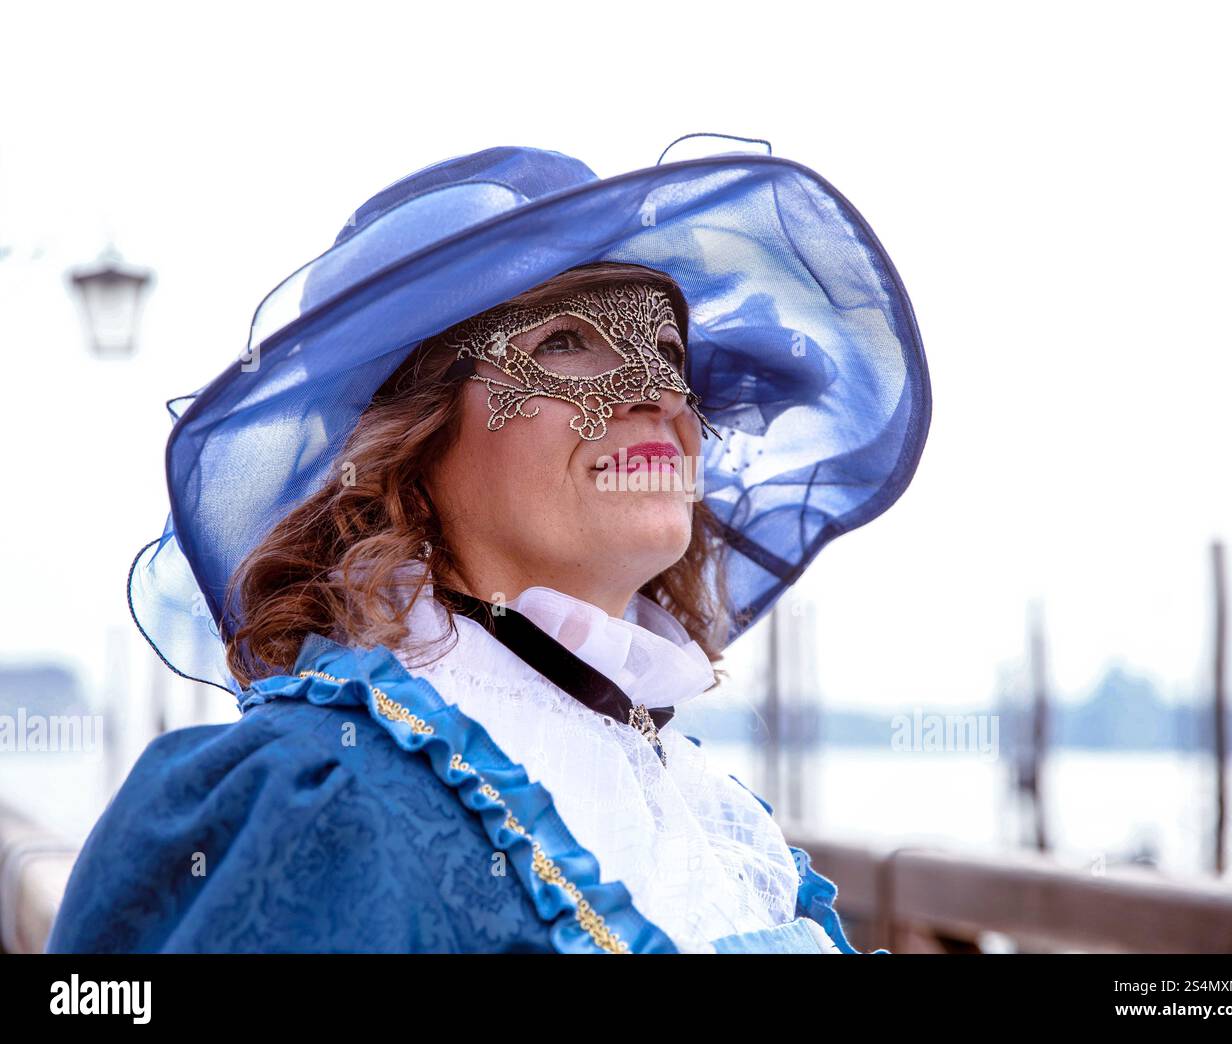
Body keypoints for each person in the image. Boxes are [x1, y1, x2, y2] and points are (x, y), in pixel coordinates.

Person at [46, 135, 931, 954]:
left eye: (670, 352)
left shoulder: (711, 824)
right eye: (564, 342)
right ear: (411, 441)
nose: (659, 392)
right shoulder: (318, 798)